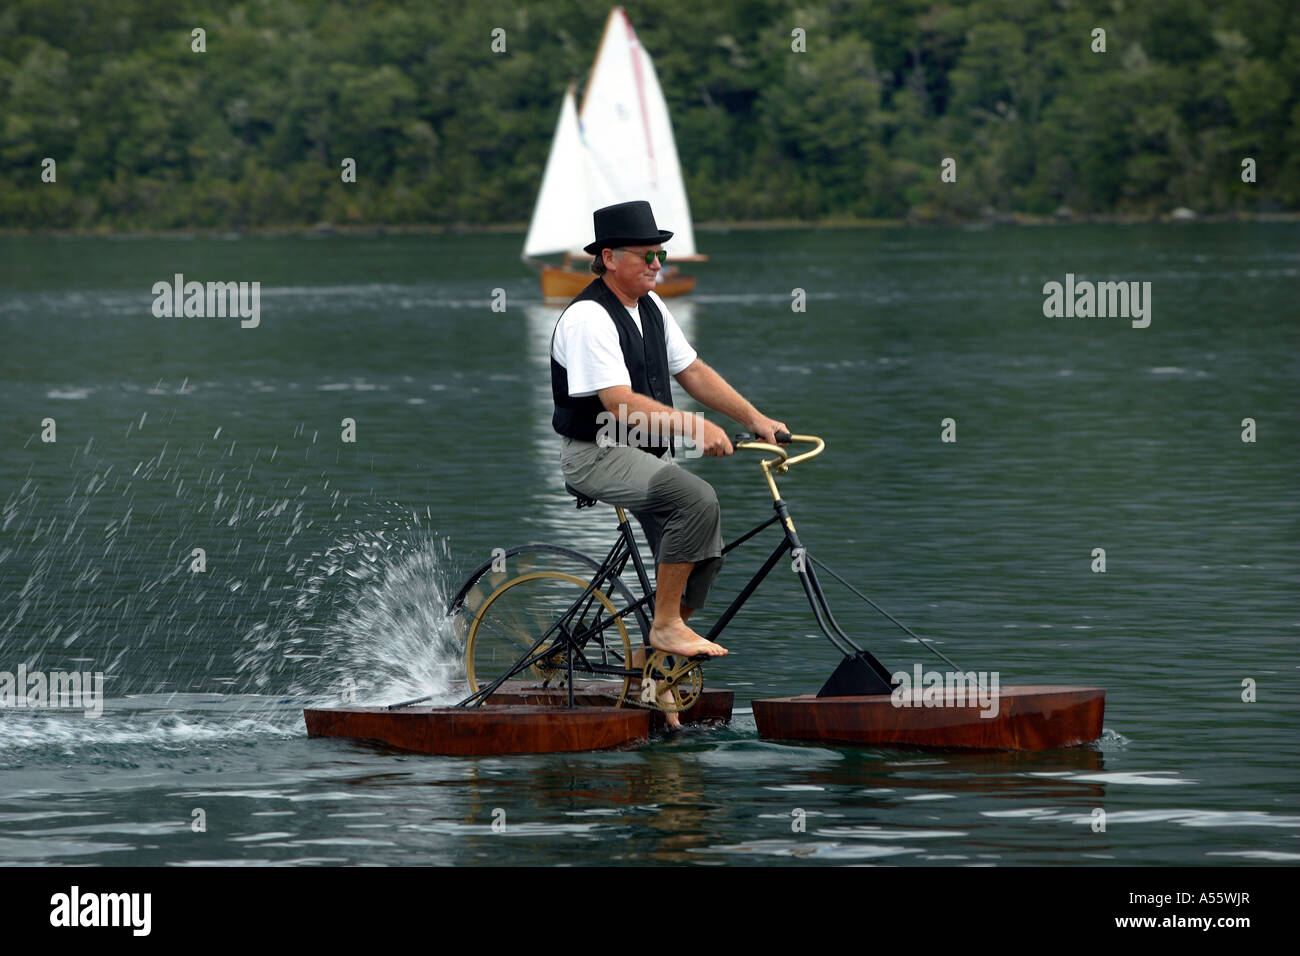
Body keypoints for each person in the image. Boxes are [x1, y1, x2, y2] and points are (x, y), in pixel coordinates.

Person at [550, 200, 788, 669]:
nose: (658, 264)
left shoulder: (652, 306)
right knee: (695, 498)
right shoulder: (588, 319)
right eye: (646, 255)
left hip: (646, 457)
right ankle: (665, 626)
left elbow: (693, 371)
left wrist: (755, 419)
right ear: (610, 257)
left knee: (705, 552)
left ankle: (651, 669)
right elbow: (618, 403)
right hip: (595, 454)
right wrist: (693, 425)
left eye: (660, 254)